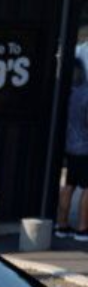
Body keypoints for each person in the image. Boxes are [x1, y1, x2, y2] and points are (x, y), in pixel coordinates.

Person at [56, 58, 88, 244]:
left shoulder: (67, 93)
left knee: (69, 185)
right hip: (85, 147)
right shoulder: (85, 94)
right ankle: (83, 228)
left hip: (69, 146)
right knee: (86, 188)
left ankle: (62, 224)